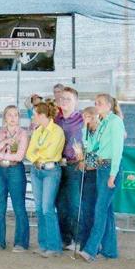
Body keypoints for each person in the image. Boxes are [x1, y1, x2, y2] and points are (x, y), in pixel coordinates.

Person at [78, 94, 125, 262]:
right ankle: (110, 250)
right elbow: (90, 146)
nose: (96, 105)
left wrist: (113, 174)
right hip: (101, 167)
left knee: (100, 208)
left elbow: (118, 149)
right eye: (95, 102)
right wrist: (85, 127)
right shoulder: (102, 123)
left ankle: (90, 249)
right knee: (106, 209)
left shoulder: (115, 122)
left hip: (110, 167)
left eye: (99, 103)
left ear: (108, 106)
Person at [0, 105, 29, 252]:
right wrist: (3, 143)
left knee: (19, 207)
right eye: (9, 115)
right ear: (5, 117)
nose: (12, 118)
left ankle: (21, 242)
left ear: (19, 117)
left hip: (15, 169)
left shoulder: (23, 134)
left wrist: (1, 154)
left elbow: (19, 156)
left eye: (15, 115)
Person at [26, 101, 64, 257]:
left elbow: (51, 152)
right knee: (40, 208)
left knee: (47, 208)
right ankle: (43, 244)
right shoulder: (38, 130)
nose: (33, 117)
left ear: (42, 115)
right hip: (37, 170)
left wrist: (36, 155)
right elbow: (29, 152)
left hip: (50, 171)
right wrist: (37, 157)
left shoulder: (57, 131)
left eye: (34, 114)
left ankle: (54, 246)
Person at [54, 86, 84, 251]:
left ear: (76, 102)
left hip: (74, 166)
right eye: (62, 98)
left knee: (74, 204)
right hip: (58, 165)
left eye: (68, 99)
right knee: (60, 204)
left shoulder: (82, 119)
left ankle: (79, 239)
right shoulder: (55, 119)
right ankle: (66, 239)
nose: (64, 101)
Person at [76, 107, 101, 250]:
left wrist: (88, 163)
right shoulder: (86, 132)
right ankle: (85, 244)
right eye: (84, 117)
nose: (85, 120)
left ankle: (93, 245)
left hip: (95, 173)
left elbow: (93, 150)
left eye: (88, 117)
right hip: (85, 172)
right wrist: (80, 159)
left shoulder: (98, 133)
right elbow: (84, 149)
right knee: (85, 209)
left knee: (92, 209)